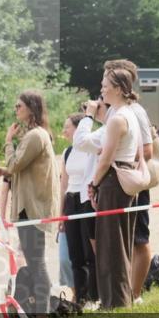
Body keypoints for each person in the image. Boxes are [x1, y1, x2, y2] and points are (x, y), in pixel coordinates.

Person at [0, 93, 60, 318]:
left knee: (36, 261)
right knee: (34, 259)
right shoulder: (36, 135)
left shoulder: (35, 136)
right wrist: (5, 171)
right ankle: (42, 310)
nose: (15, 109)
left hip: (33, 208)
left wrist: (8, 141)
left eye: (19, 105)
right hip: (30, 207)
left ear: (31, 108)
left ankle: (43, 312)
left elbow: (16, 163)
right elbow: (20, 167)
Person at [85, 68, 141, 308]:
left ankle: (115, 303)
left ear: (118, 88)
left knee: (111, 246)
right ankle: (117, 299)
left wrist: (93, 183)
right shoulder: (126, 114)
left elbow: (105, 158)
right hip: (122, 180)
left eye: (105, 85)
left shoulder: (118, 118)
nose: (101, 89)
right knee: (119, 244)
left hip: (113, 181)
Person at [60, 113, 98, 308]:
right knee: (75, 254)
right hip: (70, 201)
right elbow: (63, 184)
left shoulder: (90, 149)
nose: (64, 131)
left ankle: (94, 296)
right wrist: (61, 213)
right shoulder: (67, 152)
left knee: (89, 252)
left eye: (67, 127)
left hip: (85, 201)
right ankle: (80, 298)